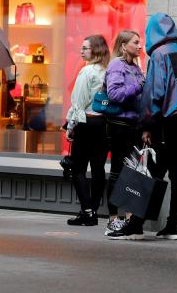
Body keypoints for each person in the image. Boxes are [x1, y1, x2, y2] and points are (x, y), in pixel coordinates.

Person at [111, 13, 177, 240]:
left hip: (166, 121)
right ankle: (173, 226)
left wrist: (147, 125)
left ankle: (136, 224)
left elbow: (154, 92)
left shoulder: (159, 55)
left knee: (150, 171)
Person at [65, 35, 111, 227]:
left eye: (85, 48)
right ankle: (93, 210)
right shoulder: (107, 71)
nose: (81, 51)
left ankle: (87, 211)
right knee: (98, 168)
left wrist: (70, 127)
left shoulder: (86, 72)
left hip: (86, 123)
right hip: (103, 125)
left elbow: (78, 103)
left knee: (78, 169)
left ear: (95, 50)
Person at [102, 30, 144, 237]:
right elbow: (115, 94)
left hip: (133, 126)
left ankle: (128, 218)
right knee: (119, 171)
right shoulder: (117, 65)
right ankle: (112, 219)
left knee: (132, 173)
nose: (140, 46)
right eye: (136, 42)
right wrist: (138, 86)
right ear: (123, 45)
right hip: (119, 125)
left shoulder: (135, 67)